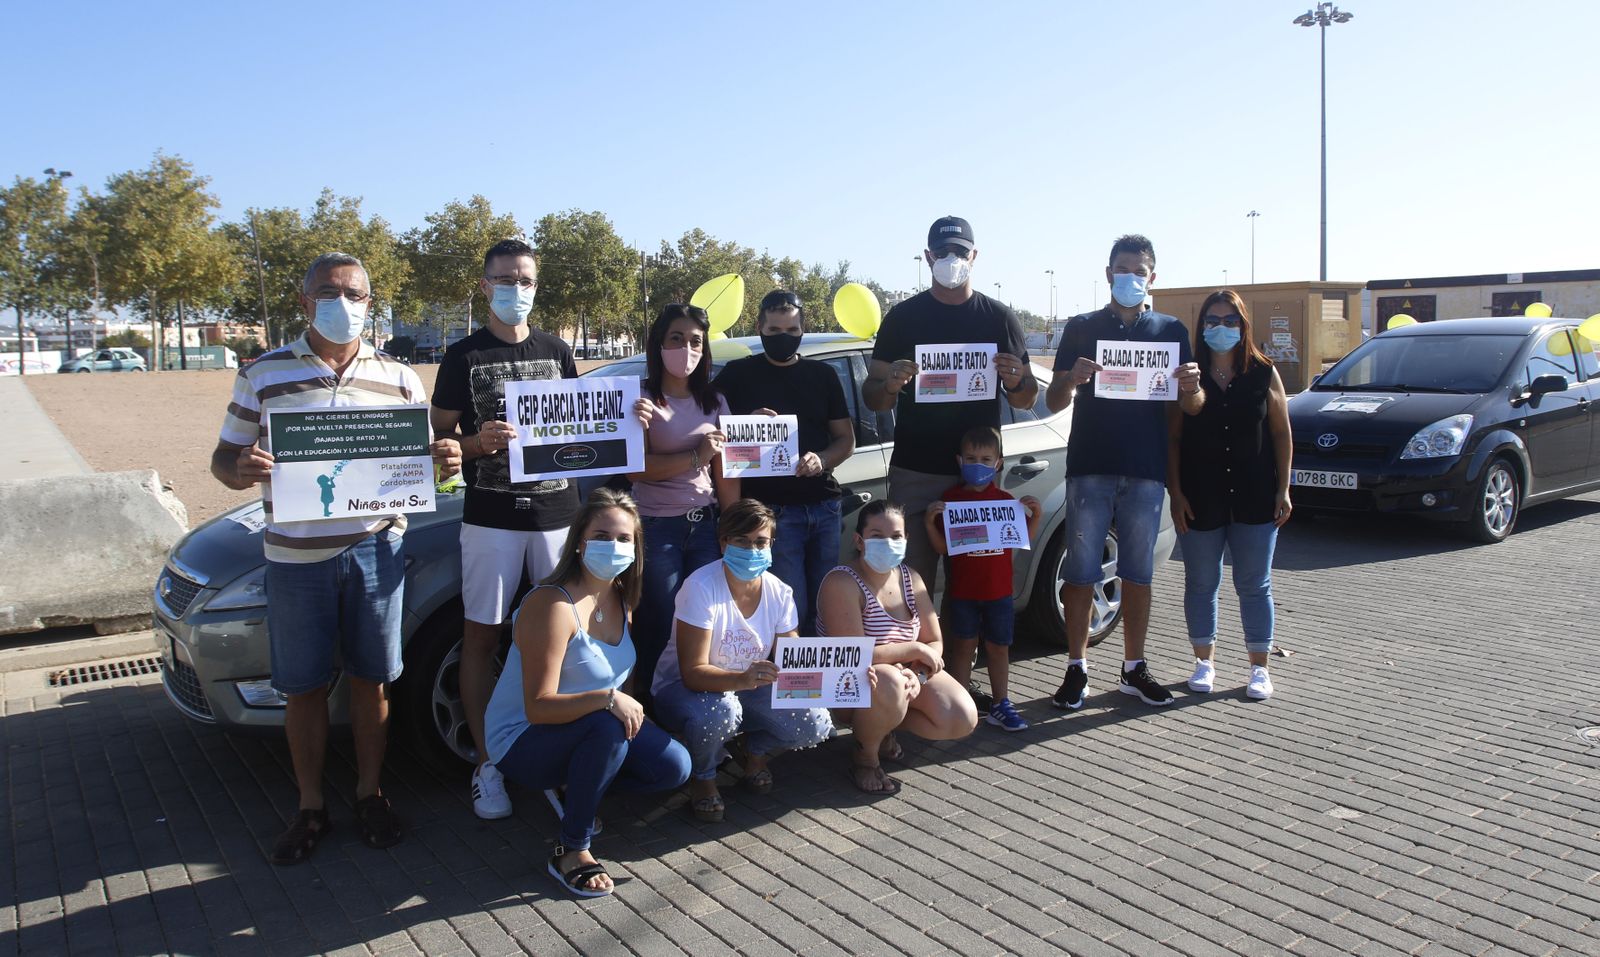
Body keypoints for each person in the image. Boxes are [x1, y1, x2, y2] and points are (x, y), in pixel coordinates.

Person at [211, 252, 461, 864]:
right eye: (329, 291)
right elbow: (222, 460)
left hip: (378, 550)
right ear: (305, 302)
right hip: (296, 561)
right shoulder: (261, 375)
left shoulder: (401, 378)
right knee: (301, 688)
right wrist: (239, 470)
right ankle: (308, 806)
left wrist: (443, 462)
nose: (343, 302)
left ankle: (370, 793)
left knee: (371, 682)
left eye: (355, 293)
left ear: (370, 304)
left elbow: (417, 466)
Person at [431, 238, 582, 821]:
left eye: (525, 280)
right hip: (490, 517)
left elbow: (582, 426)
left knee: (566, 639)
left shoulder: (558, 349)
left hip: (557, 517)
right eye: (505, 279)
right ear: (484, 284)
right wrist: (473, 444)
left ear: (536, 287)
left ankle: (561, 755)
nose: (515, 290)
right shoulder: (460, 356)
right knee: (482, 637)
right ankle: (487, 763)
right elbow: (438, 445)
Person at [862, 217, 1036, 708]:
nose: (951, 260)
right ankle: (903, 689)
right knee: (909, 584)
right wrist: (890, 383)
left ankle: (954, 684)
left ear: (975, 257)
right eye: (942, 252)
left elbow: (1025, 398)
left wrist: (1018, 377)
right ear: (927, 257)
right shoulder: (903, 318)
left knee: (971, 587)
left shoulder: (999, 318)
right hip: (916, 470)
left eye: (959, 251)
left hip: (978, 476)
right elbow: (873, 397)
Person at [483, 488, 690, 897]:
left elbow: (621, 678)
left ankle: (578, 784)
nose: (612, 546)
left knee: (674, 766)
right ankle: (571, 849)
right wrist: (609, 700)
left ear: (636, 547)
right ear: (579, 542)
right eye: (601, 536)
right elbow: (538, 707)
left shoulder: (621, 596)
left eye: (623, 538)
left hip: (589, 724)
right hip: (522, 739)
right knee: (606, 728)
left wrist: (619, 703)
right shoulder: (551, 604)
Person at [1046, 234, 1204, 711]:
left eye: (1140, 271)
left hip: (1144, 471)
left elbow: (1191, 406)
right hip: (1089, 468)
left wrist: (1193, 388)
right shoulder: (1081, 327)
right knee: (1079, 573)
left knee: (1138, 574)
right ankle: (1077, 668)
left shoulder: (1172, 331)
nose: (1130, 277)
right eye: (1122, 268)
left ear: (1152, 277)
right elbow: (1053, 401)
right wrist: (1071, 379)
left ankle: (1134, 667)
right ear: (1108, 272)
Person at [651, 499, 832, 822]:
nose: (752, 550)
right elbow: (692, 674)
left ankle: (753, 749)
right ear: (723, 543)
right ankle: (704, 776)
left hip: (745, 688)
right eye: (742, 541)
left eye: (761, 542)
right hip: (683, 691)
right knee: (720, 710)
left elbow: (793, 661)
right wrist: (741, 680)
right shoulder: (701, 587)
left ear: (772, 545)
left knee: (815, 723)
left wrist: (848, 680)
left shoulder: (780, 592)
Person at [1168, 290, 1292, 701]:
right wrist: (1177, 493)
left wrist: (1283, 488)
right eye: (1212, 320)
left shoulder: (1263, 372)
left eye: (1229, 321)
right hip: (1201, 494)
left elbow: (1280, 432)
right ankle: (1204, 661)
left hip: (1255, 493)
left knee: (1255, 584)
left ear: (1243, 325)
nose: (1221, 328)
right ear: (1201, 326)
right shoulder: (1187, 374)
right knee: (1202, 582)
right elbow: (1173, 438)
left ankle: (1259, 668)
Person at [713, 290, 855, 634]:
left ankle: (824, 680)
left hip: (823, 506)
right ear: (760, 327)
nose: (783, 338)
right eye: (775, 330)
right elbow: (708, 430)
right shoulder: (736, 375)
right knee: (791, 608)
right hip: (772, 514)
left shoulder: (822, 375)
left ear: (802, 330)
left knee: (827, 606)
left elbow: (846, 441)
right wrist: (746, 423)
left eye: (791, 331)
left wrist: (821, 459)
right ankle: (792, 681)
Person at [817, 501, 978, 794]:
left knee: (962, 717)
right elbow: (853, 653)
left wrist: (918, 677)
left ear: (906, 540)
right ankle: (865, 756)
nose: (888, 543)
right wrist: (911, 652)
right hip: (851, 682)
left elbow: (934, 642)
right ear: (859, 540)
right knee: (889, 682)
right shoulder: (841, 581)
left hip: (904, 676)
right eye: (877, 536)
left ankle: (882, 725)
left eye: (896, 536)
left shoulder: (911, 578)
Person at [630, 304, 740, 708]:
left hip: (707, 526)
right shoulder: (640, 399)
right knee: (658, 619)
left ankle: (701, 706)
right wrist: (696, 456)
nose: (686, 349)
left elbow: (727, 471)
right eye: (676, 338)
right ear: (659, 343)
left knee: (705, 620)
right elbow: (635, 470)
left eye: (695, 341)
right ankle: (652, 705)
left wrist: (733, 529)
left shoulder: (714, 401)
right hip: (657, 527)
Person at [925, 427, 1044, 731]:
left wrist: (1036, 517)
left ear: (998, 463)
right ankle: (960, 704)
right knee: (963, 647)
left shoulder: (1005, 501)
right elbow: (942, 550)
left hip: (999, 593)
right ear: (959, 460)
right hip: (963, 593)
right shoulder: (949, 500)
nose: (978, 464)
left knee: (998, 647)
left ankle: (1001, 704)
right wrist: (929, 522)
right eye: (971, 458)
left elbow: (1019, 543)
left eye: (986, 459)